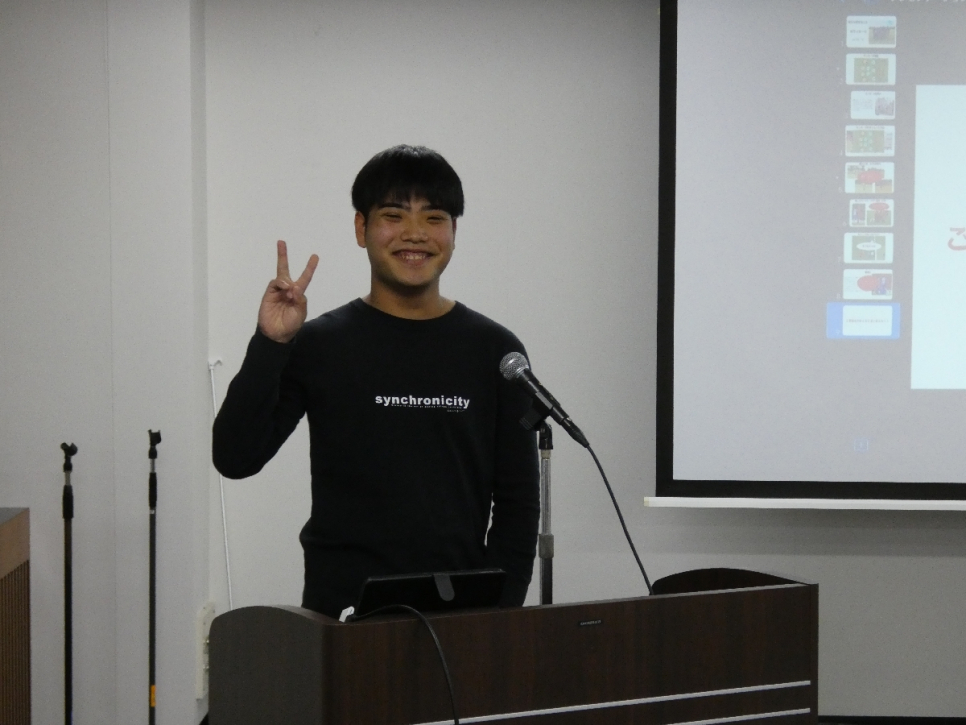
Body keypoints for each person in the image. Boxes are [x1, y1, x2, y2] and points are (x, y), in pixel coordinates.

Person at [212, 145, 540, 619]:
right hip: (342, 617)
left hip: (459, 616)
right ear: (361, 228)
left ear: (454, 232)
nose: (415, 233)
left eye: (434, 217)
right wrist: (271, 343)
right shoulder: (321, 343)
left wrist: (495, 617)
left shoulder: (495, 351)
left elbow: (518, 506)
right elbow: (235, 457)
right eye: (394, 215)